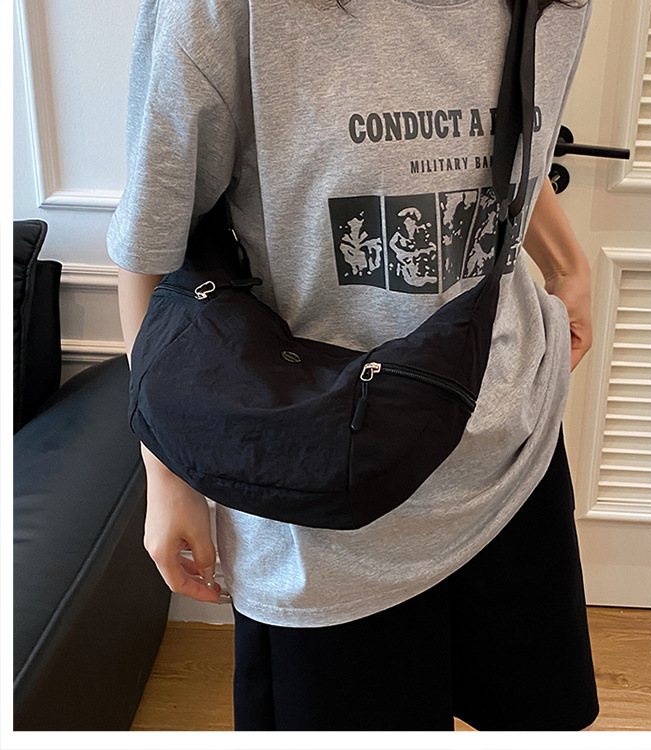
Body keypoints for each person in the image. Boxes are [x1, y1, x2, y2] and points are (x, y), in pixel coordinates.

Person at [108, 0, 599, 731]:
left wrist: (566, 262)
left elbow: (505, 133)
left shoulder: (559, 3)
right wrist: (167, 473)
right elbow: (153, 247)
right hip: (319, 489)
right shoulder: (227, 11)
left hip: (512, 447)